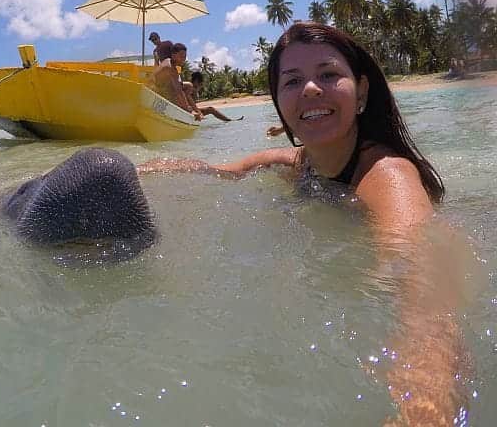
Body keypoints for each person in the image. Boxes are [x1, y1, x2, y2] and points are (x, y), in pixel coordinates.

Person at [139, 22, 469, 426]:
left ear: (361, 91)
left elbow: (422, 281)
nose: (311, 89)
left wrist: (424, 406)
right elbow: (216, 170)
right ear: (279, 101)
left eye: (329, 75)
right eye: (293, 81)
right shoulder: (300, 165)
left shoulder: (388, 175)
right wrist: (137, 170)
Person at [153, 42, 202, 120]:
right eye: (181, 56)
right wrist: (189, 111)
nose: (184, 59)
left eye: (185, 57)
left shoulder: (169, 61)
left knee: (189, 85)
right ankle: (183, 108)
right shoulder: (169, 67)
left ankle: (188, 108)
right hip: (159, 91)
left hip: (166, 87)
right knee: (178, 92)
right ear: (173, 55)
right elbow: (178, 91)